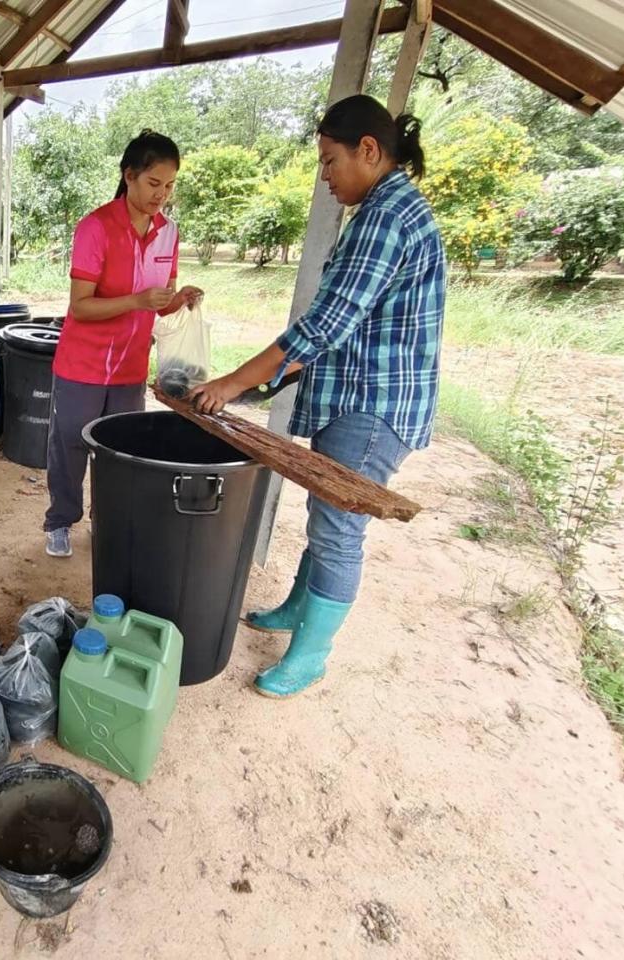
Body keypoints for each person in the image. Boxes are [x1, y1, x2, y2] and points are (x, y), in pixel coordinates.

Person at [190, 94, 445, 699]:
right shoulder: (385, 208)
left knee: (338, 528)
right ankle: (297, 611)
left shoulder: (387, 216)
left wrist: (232, 383)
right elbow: (346, 326)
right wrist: (269, 382)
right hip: (360, 393)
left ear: (369, 150)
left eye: (330, 161)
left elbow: (324, 323)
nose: (325, 176)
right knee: (325, 515)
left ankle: (310, 655)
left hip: (374, 406)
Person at [43, 130, 202, 558]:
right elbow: (80, 307)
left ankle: (108, 520)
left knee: (120, 452)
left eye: (169, 186)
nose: (161, 195)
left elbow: (158, 305)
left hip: (131, 366)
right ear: (128, 176)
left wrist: (178, 299)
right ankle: (60, 521)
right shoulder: (96, 228)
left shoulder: (169, 234)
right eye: (154, 184)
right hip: (83, 364)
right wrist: (137, 300)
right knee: (71, 444)